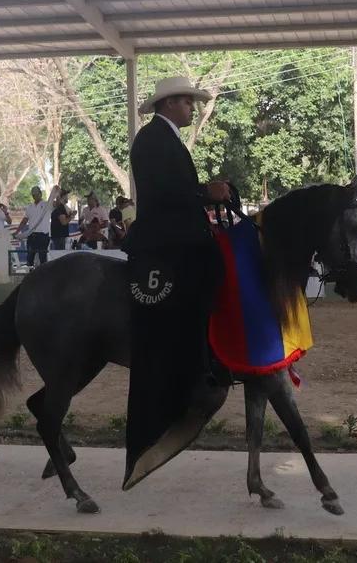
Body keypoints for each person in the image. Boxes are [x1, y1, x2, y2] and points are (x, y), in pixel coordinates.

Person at [122, 75, 232, 488]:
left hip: (177, 234)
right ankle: (198, 368)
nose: (191, 108)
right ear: (169, 104)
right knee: (205, 280)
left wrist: (210, 194)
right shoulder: (152, 141)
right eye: (187, 102)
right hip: (164, 243)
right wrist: (208, 193)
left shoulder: (166, 138)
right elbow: (168, 193)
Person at [15, 186, 53, 267]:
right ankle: (31, 276)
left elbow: (56, 204)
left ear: (40, 194)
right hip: (32, 235)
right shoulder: (29, 207)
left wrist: (57, 193)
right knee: (29, 259)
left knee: (43, 259)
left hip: (43, 236)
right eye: (33, 194)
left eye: (36, 194)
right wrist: (17, 231)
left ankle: (43, 278)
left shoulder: (47, 204)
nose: (35, 196)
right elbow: (24, 221)